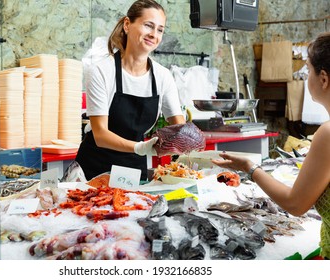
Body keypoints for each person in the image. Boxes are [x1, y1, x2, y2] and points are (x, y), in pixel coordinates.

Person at [212, 32, 330, 260]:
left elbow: (295, 204)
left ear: (323, 79)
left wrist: (250, 167)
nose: (306, 79)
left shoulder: (327, 133)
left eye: (307, 71)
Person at [76, 0, 185, 181]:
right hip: (95, 169)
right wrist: (138, 148)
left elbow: (179, 126)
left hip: (134, 170)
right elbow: (100, 134)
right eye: (148, 26)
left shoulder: (163, 76)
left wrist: (186, 143)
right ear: (127, 24)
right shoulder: (101, 71)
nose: (154, 34)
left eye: (160, 30)